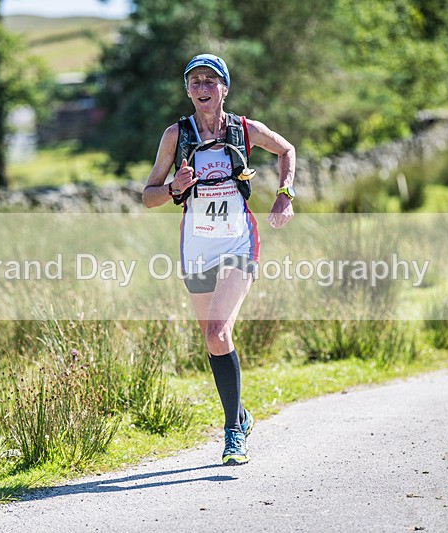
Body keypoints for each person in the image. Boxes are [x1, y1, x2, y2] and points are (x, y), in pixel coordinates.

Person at [142, 54, 296, 465]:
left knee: (216, 331)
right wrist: (173, 187)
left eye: (210, 80)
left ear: (224, 88)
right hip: (196, 246)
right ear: (188, 90)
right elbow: (148, 197)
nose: (203, 87)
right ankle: (240, 414)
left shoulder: (245, 129)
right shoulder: (176, 135)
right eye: (195, 81)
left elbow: (286, 150)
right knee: (213, 342)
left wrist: (285, 194)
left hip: (238, 242)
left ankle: (232, 434)